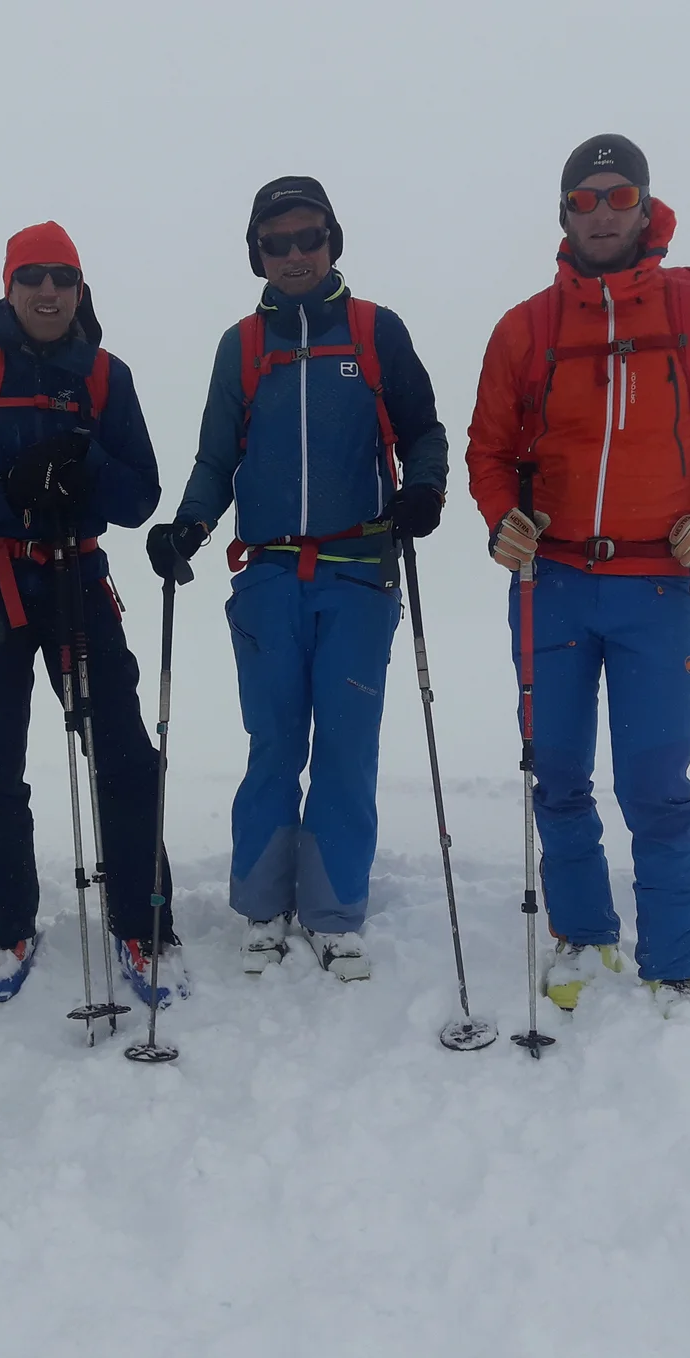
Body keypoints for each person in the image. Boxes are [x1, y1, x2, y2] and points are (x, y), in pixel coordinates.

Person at [465, 134, 690, 1036]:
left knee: (655, 784)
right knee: (558, 772)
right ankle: (583, 935)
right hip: (553, 578)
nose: (602, 211)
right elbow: (487, 449)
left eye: (619, 196)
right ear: (563, 212)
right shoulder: (526, 327)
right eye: (585, 197)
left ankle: (676, 972)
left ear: (646, 207)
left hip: (656, 584)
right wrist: (503, 520)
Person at [148, 177, 449, 981]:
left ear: (332, 241)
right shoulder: (242, 346)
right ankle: (261, 906)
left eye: (307, 237)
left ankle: (333, 909)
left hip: (358, 573)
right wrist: (190, 526)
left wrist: (425, 488)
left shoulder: (377, 332)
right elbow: (218, 457)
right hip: (270, 576)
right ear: (257, 252)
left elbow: (424, 430)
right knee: (275, 742)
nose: (293, 254)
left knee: (347, 749)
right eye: (275, 242)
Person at [0, 222, 180, 1008]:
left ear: (80, 288)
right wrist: (11, 495)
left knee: (122, 750)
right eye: (33, 278)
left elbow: (140, 496)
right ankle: (6, 926)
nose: (49, 291)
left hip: (80, 580)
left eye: (63, 277)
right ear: (9, 287)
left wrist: (82, 461)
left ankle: (143, 921)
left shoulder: (103, 376)